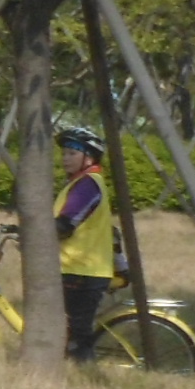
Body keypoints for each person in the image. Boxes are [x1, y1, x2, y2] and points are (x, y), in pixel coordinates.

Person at [54, 124, 117, 363]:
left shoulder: (88, 184)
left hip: (82, 269)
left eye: (72, 153)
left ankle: (85, 373)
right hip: (75, 266)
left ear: (88, 157)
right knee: (68, 327)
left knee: (78, 333)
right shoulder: (77, 183)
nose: (65, 159)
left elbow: (66, 224)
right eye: (64, 153)